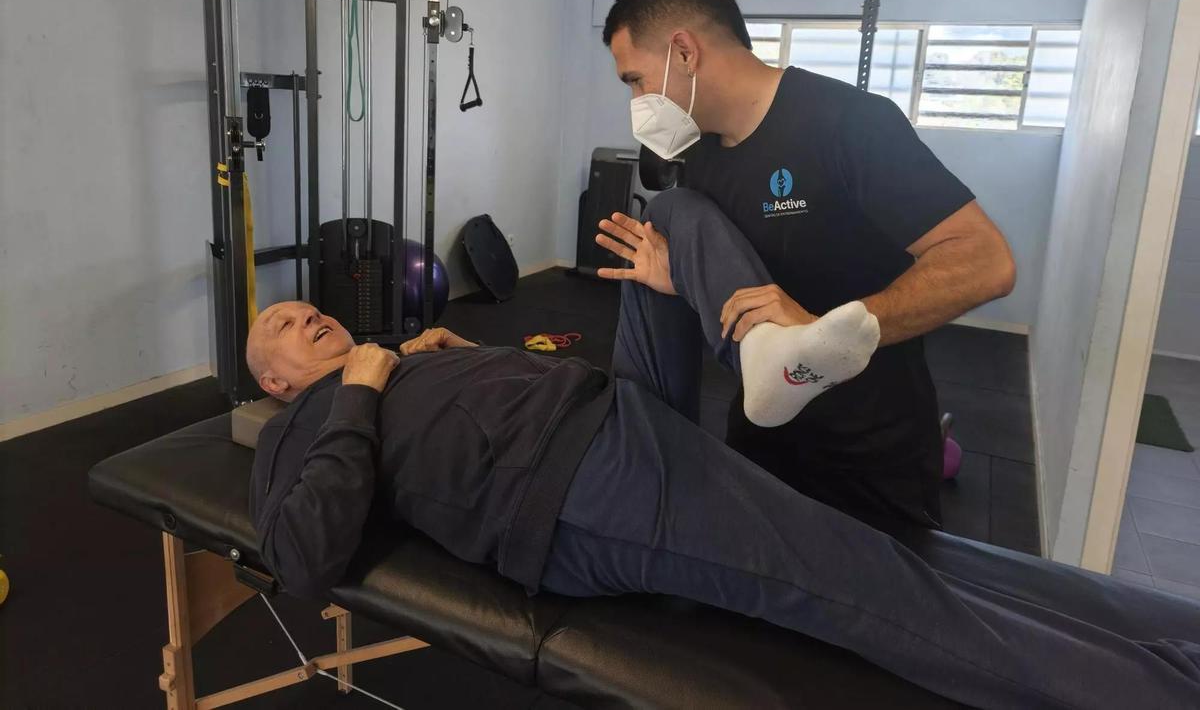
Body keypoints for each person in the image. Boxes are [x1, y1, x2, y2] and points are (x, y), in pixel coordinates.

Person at [248, 189, 1200, 710]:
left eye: (308, 304)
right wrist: (362, 398)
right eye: (291, 323)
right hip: (585, 491)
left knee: (668, 208)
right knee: (871, 579)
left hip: (616, 412)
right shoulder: (304, 427)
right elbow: (301, 557)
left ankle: (765, 348)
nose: (313, 313)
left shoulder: (399, 357)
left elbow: (473, 413)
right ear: (275, 384)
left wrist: (454, 357)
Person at [602, 0, 1017, 532]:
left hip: (869, 454)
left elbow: (984, 261)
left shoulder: (848, 123)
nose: (636, 99)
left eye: (634, 79)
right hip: (762, 436)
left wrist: (822, 329)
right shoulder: (699, 158)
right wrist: (683, 280)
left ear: (684, 52)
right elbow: (742, 288)